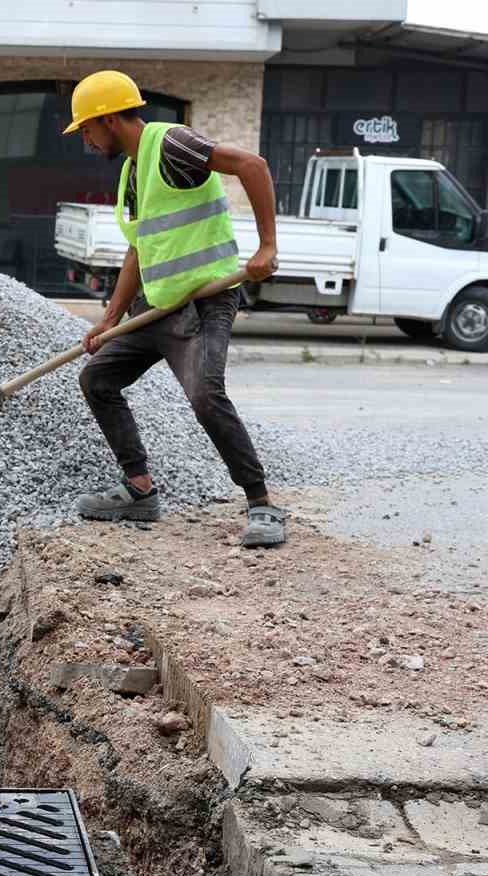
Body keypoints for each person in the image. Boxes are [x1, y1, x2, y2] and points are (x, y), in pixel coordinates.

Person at [64, 70, 286, 548]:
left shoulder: (171, 143)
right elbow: (138, 251)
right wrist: (109, 320)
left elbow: (252, 164)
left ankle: (262, 503)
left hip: (206, 300)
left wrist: (267, 245)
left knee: (205, 394)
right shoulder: (132, 171)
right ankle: (139, 491)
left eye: (85, 128)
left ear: (106, 119)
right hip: (159, 306)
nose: (84, 139)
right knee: (97, 379)